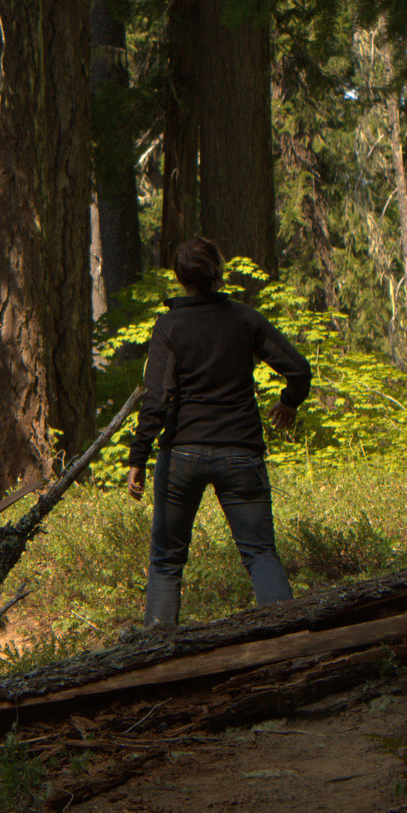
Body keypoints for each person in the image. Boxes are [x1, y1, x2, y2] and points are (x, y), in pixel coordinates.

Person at [126, 237, 312, 630]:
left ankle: (157, 651)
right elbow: (298, 369)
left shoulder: (169, 325)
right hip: (241, 451)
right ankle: (289, 640)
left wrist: (138, 456)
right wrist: (289, 402)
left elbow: (156, 398)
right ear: (218, 271)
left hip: (181, 454)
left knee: (166, 560)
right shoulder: (245, 319)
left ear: (180, 277)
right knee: (260, 553)